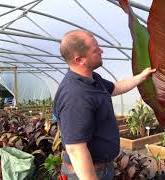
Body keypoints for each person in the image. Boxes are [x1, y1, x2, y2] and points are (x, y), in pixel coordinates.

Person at [52, 29, 156, 180]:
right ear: (79, 60)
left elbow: (116, 87)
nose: (101, 50)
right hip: (87, 174)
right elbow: (76, 149)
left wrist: (141, 77)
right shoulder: (75, 96)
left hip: (103, 168)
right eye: (95, 50)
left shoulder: (91, 79)